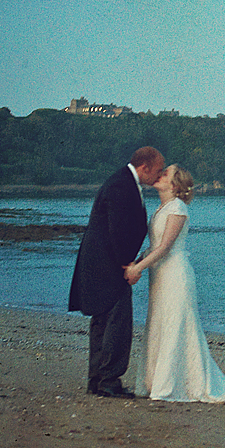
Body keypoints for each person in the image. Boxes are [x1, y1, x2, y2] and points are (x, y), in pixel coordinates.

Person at [126, 165, 225, 406]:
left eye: (166, 174)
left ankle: (169, 385)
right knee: (159, 323)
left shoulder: (178, 208)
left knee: (176, 324)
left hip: (175, 276)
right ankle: (156, 381)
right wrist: (138, 259)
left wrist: (138, 268)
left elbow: (165, 248)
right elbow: (155, 246)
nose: (160, 175)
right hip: (160, 276)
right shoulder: (162, 208)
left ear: (174, 186)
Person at [69, 146, 166, 398]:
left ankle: (98, 379)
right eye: (157, 170)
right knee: (116, 322)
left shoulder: (123, 182)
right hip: (109, 265)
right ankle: (108, 380)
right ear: (144, 167)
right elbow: (117, 229)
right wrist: (128, 264)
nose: (159, 175)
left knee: (103, 321)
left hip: (102, 263)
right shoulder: (122, 185)